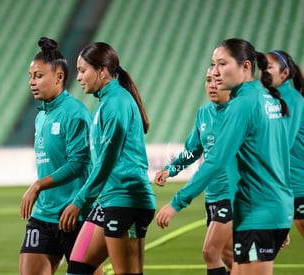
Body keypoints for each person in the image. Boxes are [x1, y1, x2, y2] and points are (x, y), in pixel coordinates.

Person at [156, 38, 293, 275]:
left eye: (222, 64)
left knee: (211, 252)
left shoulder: (240, 106)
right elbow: (280, 158)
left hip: (252, 208)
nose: (215, 74)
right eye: (212, 66)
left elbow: (216, 160)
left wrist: (177, 202)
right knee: (229, 260)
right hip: (271, 207)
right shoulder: (271, 101)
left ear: (246, 67)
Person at [59, 42, 156, 275]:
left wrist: (80, 200)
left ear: (102, 71)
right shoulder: (106, 103)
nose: (79, 77)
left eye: (83, 71)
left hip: (127, 200)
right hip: (111, 200)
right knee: (77, 269)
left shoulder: (117, 102)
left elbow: (108, 160)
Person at [19, 37, 96, 275]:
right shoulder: (40, 116)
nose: (32, 82)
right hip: (43, 215)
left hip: (75, 214)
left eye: (38, 76)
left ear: (59, 77)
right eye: (31, 76)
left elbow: (79, 163)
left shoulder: (75, 114)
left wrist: (38, 185)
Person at [154, 68, 238, 275]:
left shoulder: (238, 114)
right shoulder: (204, 113)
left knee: (210, 252)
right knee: (229, 256)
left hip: (234, 194)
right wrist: (170, 170)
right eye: (208, 80)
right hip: (213, 196)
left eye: (217, 80)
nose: (211, 85)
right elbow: (192, 150)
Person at [266, 50, 304, 238]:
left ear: (285, 73)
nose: (264, 71)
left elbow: (284, 142)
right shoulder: (270, 99)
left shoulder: (293, 99)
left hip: (298, 182)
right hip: (286, 182)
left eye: (269, 67)